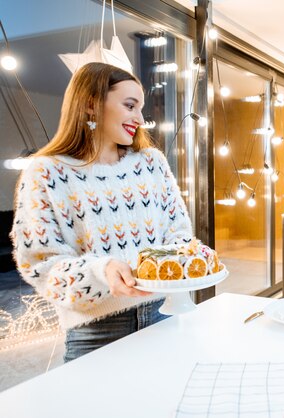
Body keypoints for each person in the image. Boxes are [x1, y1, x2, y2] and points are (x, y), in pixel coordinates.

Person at [11, 62, 193, 362]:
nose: (139, 118)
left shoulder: (151, 163)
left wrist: (184, 261)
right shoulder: (46, 173)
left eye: (140, 108)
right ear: (92, 105)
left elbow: (179, 232)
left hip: (164, 314)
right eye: (130, 105)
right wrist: (101, 270)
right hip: (95, 332)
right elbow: (40, 266)